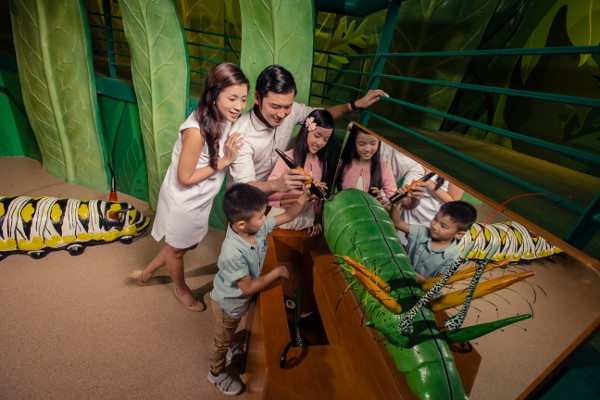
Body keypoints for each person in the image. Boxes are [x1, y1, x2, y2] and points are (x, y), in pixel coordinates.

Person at [127, 62, 248, 311]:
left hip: (200, 199)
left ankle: (146, 273)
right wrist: (224, 161)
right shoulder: (196, 132)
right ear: (213, 96)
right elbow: (184, 178)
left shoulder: (223, 116)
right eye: (233, 98)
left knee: (184, 245)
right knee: (178, 250)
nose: (239, 106)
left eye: (244, 98)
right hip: (183, 201)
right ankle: (182, 290)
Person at [207, 182, 314, 395]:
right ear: (241, 225)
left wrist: (304, 198)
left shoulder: (257, 227)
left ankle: (230, 344)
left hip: (238, 303)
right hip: (228, 304)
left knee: (231, 330)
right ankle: (215, 373)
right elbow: (246, 287)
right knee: (222, 339)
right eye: (260, 216)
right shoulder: (233, 253)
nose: (265, 218)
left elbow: (287, 217)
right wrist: (276, 273)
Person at [228, 64, 389, 195]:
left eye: (288, 106)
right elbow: (245, 187)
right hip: (244, 200)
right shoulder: (240, 135)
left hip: (273, 197)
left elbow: (322, 117)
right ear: (257, 98)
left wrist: (354, 105)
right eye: (275, 106)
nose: (282, 114)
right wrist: (277, 184)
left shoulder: (293, 112)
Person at [266, 109, 334, 236]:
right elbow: (270, 198)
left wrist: (317, 221)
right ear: (306, 129)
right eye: (317, 135)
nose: (320, 143)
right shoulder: (287, 157)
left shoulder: (322, 163)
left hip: (306, 222)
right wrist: (305, 197)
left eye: (326, 139)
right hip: (282, 220)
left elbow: (318, 201)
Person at [390, 199, 477, 284]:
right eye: (435, 219)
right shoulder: (421, 231)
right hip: (397, 276)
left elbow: (435, 283)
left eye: (443, 226)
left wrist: (407, 272)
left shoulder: (453, 257)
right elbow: (397, 223)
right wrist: (395, 205)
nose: (435, 226)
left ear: (459, 234)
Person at [335, 127, 420, 206]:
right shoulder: (342, 164)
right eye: (361, 144)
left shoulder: (384, 168)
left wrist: (379, 203)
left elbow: (392, 201)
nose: (368, 149)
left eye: (373, 144)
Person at [397, 168, 464, 245]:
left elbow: (453, 200)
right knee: (398, 244)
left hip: (429, 221)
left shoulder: (457, 171)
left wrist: (430, 184)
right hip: (409, 213)